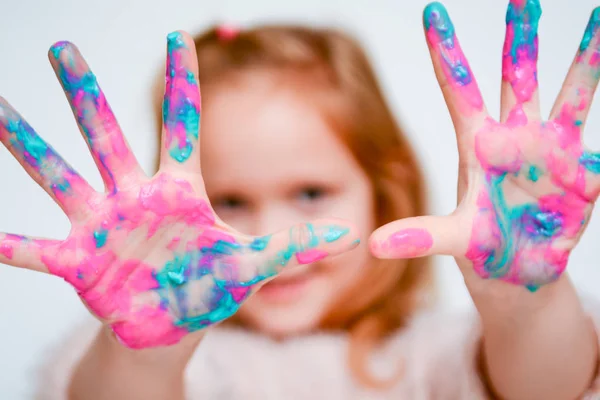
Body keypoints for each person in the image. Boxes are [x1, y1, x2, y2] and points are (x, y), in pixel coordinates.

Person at [0, 1, 599, 399]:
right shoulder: (169, 360)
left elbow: (544, 388)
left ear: (382, 190)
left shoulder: (430, 355)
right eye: (229, 201)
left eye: (310, 193)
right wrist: (152, 351)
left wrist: (527, 303)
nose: (274, 236)